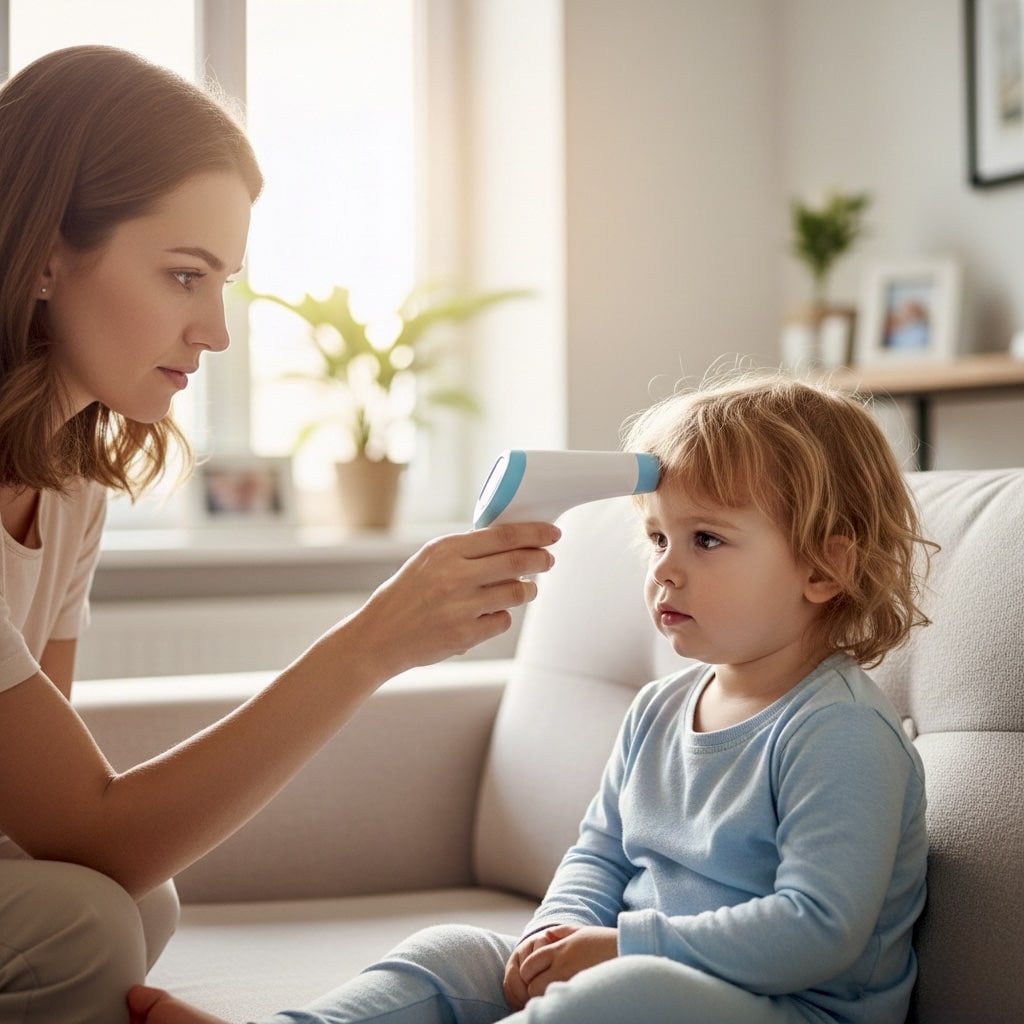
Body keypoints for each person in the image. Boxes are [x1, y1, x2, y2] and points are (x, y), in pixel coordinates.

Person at [0, 45, 560, 1024]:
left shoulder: (73, 486)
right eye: (184, 275)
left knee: (134, 902)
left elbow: (43, 822)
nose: (214, 331)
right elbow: (89, 831)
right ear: (47, 255)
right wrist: (371, 643)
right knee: (87, 919)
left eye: (221, 281)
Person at [131, 373, 938, 1024]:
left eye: (707, 539)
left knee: (617, 996)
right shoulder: (659, 710)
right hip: (637, 976)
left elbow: (816, 931)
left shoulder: (839, 731)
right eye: (658, 537)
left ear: (824, 568)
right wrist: (557, 930)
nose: (665, 567)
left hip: (790, 1008)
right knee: (453, 954)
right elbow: (600, 852)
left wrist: (621, 948)